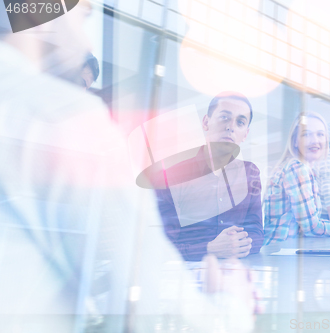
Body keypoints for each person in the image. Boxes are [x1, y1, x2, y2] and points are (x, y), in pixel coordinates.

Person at [0, 2, 253, 332]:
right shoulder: (65, 114)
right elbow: (139, 291)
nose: (90, 5)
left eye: (241, 122)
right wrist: (230, 307)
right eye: (82, 10)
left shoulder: (246, 175)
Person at [156, 92, 264, 261]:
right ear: (206, 122)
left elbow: (256, 231)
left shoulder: (250, 173)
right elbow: (161, 243)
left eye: (240, 122)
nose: (231, 127)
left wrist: (237, 244)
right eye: (224, 118)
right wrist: (209, 249)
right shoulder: (172, 174)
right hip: (184, 277)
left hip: (237, 273)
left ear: (245, 134)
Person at [263, 111, 330, 245]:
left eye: (320, 134)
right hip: (280, 254)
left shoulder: (300, 168)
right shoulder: (297, 168)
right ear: (295, 141)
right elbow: (312, 227)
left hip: (285, 251)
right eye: (307, 134)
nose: (315, 140)